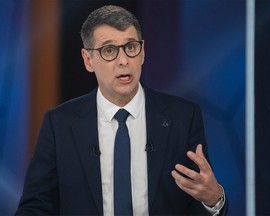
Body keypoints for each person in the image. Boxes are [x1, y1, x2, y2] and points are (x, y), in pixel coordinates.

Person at [15, 5, 228, 216]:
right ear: (88, 60)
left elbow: (197, 204)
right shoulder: (59, 124)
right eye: (109, 50)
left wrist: (214, 199)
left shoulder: (183, 117)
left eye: (131, 47)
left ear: (142, 53)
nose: (124, 60)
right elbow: (35, 208)